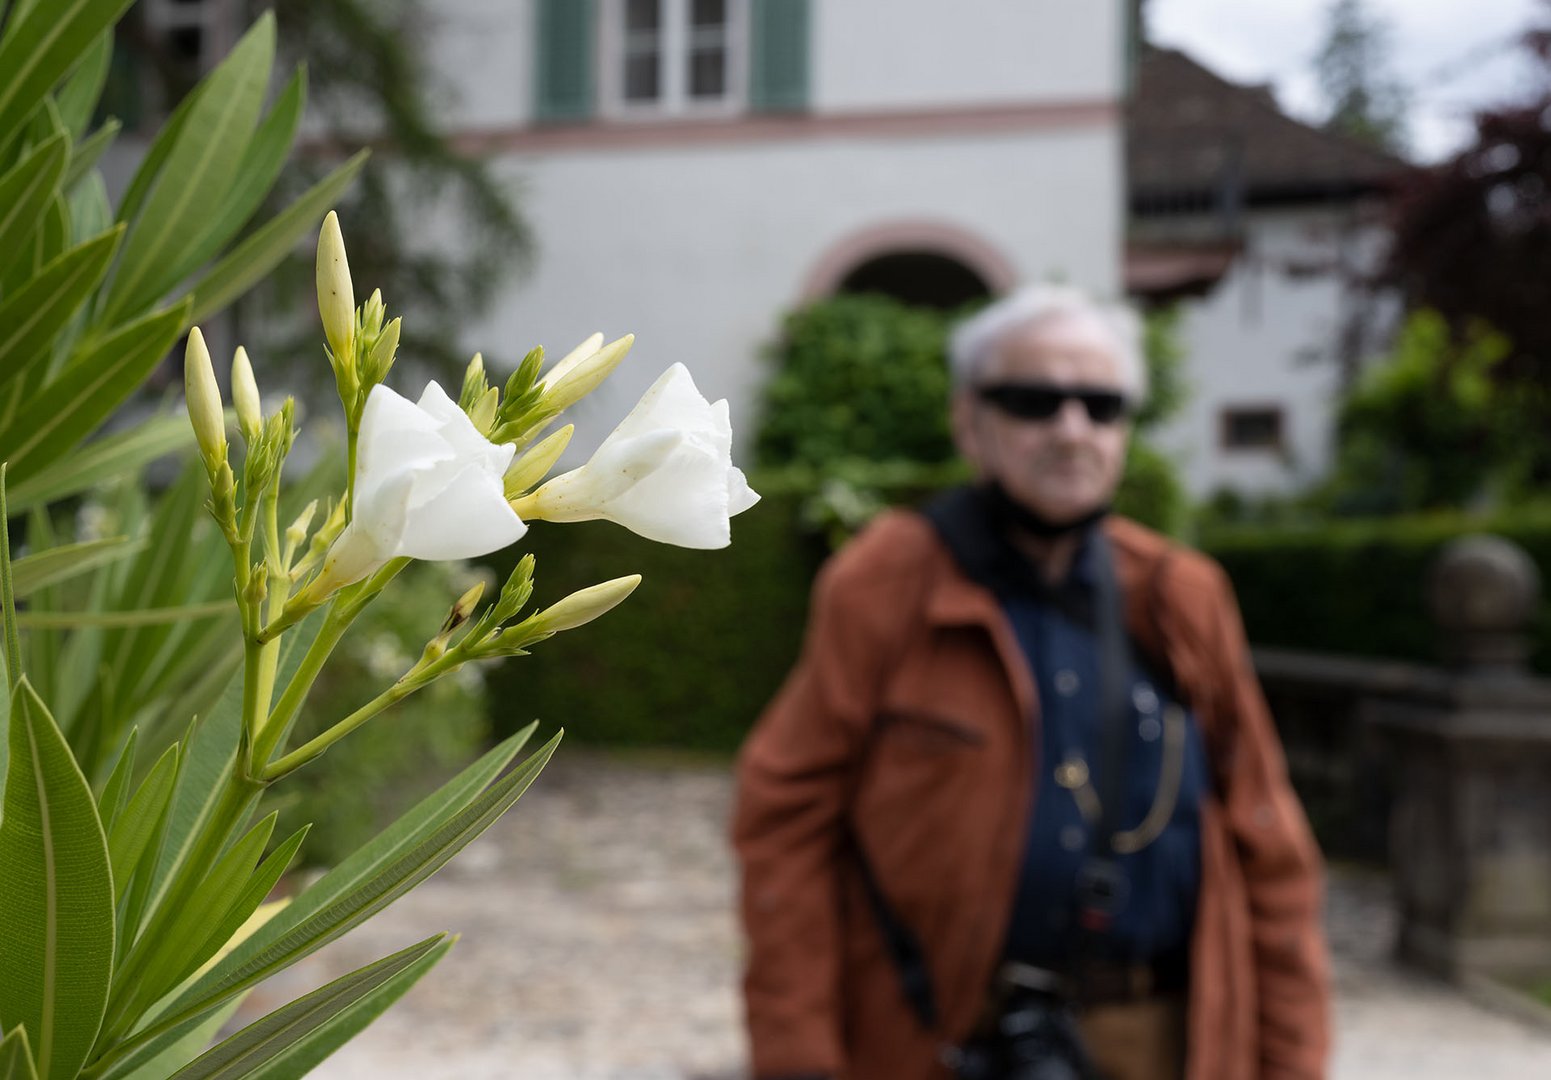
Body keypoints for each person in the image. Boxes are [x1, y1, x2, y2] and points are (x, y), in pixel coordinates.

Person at [731, 285, 1330, 1080]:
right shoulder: (886, 579)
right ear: (967, 422)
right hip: (942, 1038)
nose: (1070, 428)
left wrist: (1292, 1059)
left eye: (1100, 404)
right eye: (1032, 401)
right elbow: (785, 818)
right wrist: (799, 1055)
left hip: (1156, 1034)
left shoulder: (1181, 594)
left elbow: (1269, 845)